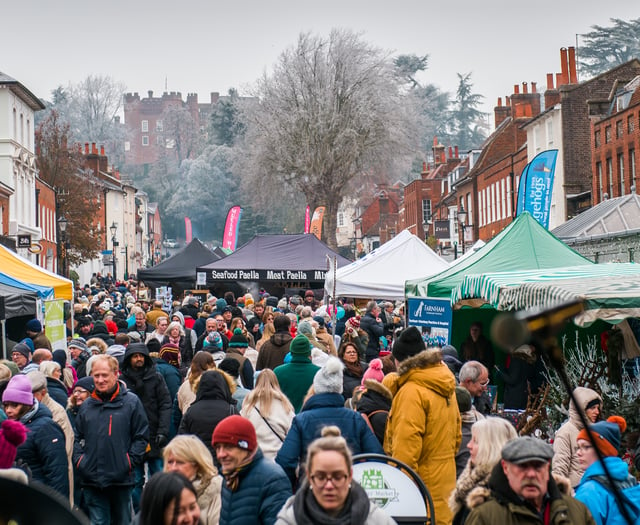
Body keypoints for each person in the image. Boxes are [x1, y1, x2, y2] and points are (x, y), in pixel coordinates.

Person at [383, 326, 460, 525]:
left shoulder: (411, 392)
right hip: (445, 483)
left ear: (401, 360)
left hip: (420, 493)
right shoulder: (446, 385)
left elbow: (405, 454)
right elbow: (457, 437)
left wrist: (400, 497)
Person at [276, 356, 383, 489]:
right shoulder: (356, 419)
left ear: (316, 388)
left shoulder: (302, 420)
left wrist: (296, 488)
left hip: (312, 489)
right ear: (340, 388)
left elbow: (285, 461)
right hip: (348, 489)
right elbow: (377, 457)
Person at [73, 354, 150, 525]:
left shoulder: (131, 402)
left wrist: (128, 462)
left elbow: (141, 436)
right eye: (96, 375)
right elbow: (76, 437)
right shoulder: (87, 405)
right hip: (92, 480)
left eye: (104, 375)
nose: (100, 380)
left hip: (121, 480)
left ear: (116, 374)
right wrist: (81, 461)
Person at [276, 425, 395, 524]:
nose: (329, 486)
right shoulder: (290, 519)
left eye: (337, 477)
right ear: (309, 477)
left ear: (349, 476)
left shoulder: (376, 520)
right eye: (320, 477)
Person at [465, 436, 595, 525]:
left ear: (548, 466)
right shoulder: (485, 517)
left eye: (538, 466)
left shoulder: (575, 511)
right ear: (505, 467)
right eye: (523, 466)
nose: (531, 474)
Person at [119, 342, 172, 512]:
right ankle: (141, 513)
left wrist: (163, 431)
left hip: (155, 434)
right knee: (134, 482)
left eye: (141, 356)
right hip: (131, 438)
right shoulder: (122, 382)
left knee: (158, 478)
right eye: (135, 356)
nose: (139, 359)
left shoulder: (156, 378)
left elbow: (165, 404)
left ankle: (158, 511)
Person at [213, 415, 291, 525]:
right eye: (217, 448)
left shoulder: (273, 480)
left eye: (228, 447)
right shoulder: (229, 477)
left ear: (245, 447)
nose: (221, 454)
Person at [2, 374, 69, 498]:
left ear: (26, 404)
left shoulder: (46, 427)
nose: (8, 410)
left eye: (14, 405)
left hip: (38, 498)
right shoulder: (11, 426)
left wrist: (54, 508)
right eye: (6, 405)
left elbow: (57, 471)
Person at [449, 417, 517, 525]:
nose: (469, 445)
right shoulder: (473, 482)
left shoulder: (492, 493)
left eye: (475, 441)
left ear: (492, 448)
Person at [574, 416, 640, 525]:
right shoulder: (631, 481)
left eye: (585, 447)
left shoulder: (589, 492)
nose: (578, 453)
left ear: (602, 450)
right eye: (578, 447)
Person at [163, 435, 222, 525]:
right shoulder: (161, 491)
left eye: (180, 462)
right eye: (170, 462)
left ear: (196, 465)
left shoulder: (215, 489)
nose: (173, 468)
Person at [178, 369, 237, 458]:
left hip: (199, 462)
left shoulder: (191, 411)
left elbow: (182, 441)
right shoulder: (231, 411)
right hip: (224, 460)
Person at [552, 386, 602, 488]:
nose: (597, 412)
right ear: (581, 409)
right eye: (592, 408)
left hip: (594, 493)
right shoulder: (565, 432)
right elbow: (559, 469)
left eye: (598, 408)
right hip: (576, 494)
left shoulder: (595, 431)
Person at [240, 369, 295, 460]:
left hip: (254, 460)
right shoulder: (285, 408)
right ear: (276, 383)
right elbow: (292, 437)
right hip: (278, 461)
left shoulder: (247, 408)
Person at [273, 334, 321, 413]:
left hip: (284, 418)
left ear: (291, 352)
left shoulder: (278, 372)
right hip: (309, 419)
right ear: (309, 352)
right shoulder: (319, 373)